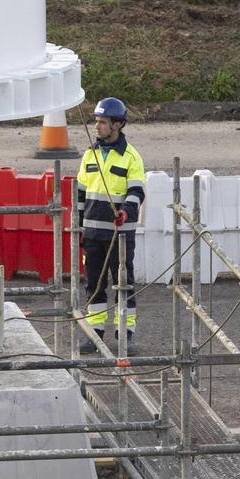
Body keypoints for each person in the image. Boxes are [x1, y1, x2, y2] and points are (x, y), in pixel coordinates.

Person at [76, 96, 146, 349]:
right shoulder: (89, 155)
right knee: (93, 284)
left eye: (102, 122)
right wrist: (79, 227)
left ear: (117, 124)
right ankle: (94, 334)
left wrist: (126, 212)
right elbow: (81, 194)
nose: (97, 126)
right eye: (96, 122)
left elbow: (137, 192)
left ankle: (124, 332)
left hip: (120, 234)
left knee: (123, 284)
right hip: (93, 233)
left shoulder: (131, 157)